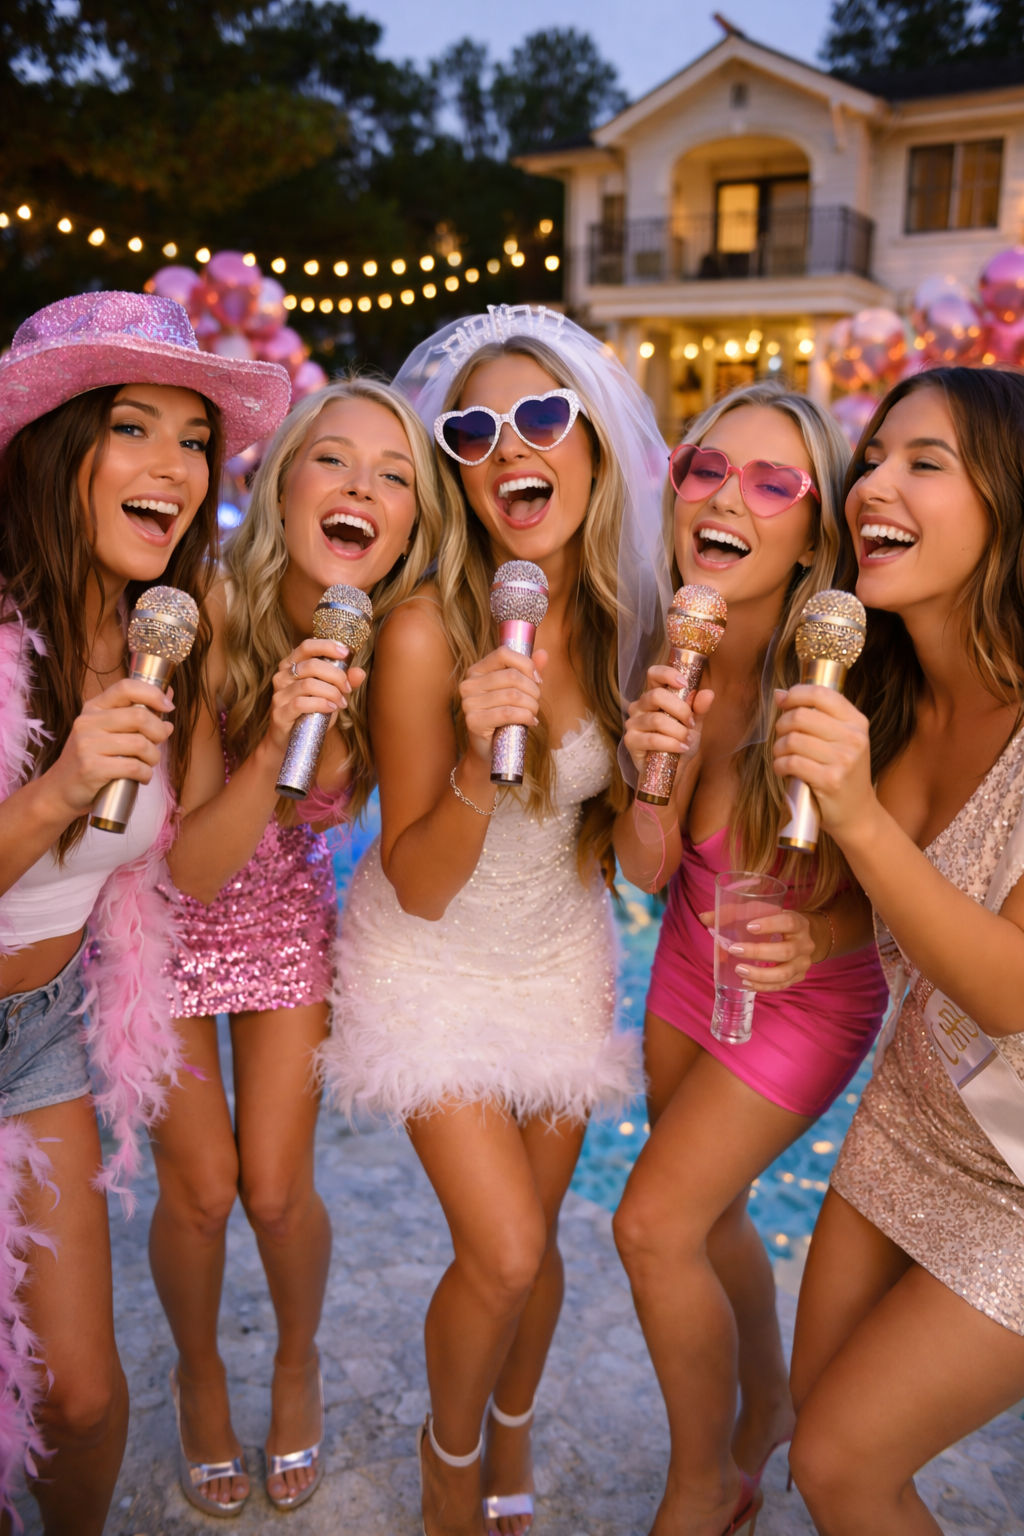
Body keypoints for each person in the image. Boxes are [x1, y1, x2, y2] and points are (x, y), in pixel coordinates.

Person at [319, 304, 670, 1536]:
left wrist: (663, 775)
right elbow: (412, 876)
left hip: (560, 952)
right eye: (473, 428)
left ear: (593, 442)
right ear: (455, 470)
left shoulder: (633, 626)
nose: (510, 444)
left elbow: (637, 867)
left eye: (541, 415)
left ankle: (512, 1426)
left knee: (540, 1242)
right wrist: (477, 751)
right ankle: (446, 1456)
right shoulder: (426, 632)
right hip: (427, 959)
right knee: (506, 1247)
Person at [0, 289, 290, 1534]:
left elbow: (198, 873)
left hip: (44, 1028)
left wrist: (280, 735)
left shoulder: (163, 636)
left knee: (79, 1396)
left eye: (192, 440)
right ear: (58, 445)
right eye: (134, 426)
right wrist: (61, 786)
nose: (173, 467)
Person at [149, 376, 445, 1516]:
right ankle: (200, 1370)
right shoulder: (212, 609)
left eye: (395, 474)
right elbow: (190, 866)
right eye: (335, 458)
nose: (362, 485)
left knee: (275, 1190)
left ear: (413, 523)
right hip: (170, 914)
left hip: (283, 917)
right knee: (204, 1192)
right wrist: (278, 729)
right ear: (282, 483)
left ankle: (295, 1357)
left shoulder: (396, 638)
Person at [611, 380, 888, 1536]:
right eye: (705, 468)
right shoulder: (669, 646)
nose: (727, 496)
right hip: (687, 956)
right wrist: (653, 769)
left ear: (816, 531)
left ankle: (705, 1484)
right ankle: (765, 1402)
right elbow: (643, 868)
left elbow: (922, 872)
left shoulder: (858, 672)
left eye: (772, 482)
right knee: (710, 1213)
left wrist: (827, 930)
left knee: (652, 1224)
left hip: (809, 993)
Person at [772, 366, 1024, 1535]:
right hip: (912, 1118)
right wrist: (809, 926)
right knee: (810, 1426)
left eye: (925, 461)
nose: (873, 480)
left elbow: (1011, 989)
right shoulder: (885, 690)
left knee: (841, 1460)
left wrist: (861, 816)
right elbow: (902, 907)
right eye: (871, 456)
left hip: (1023, 1179)